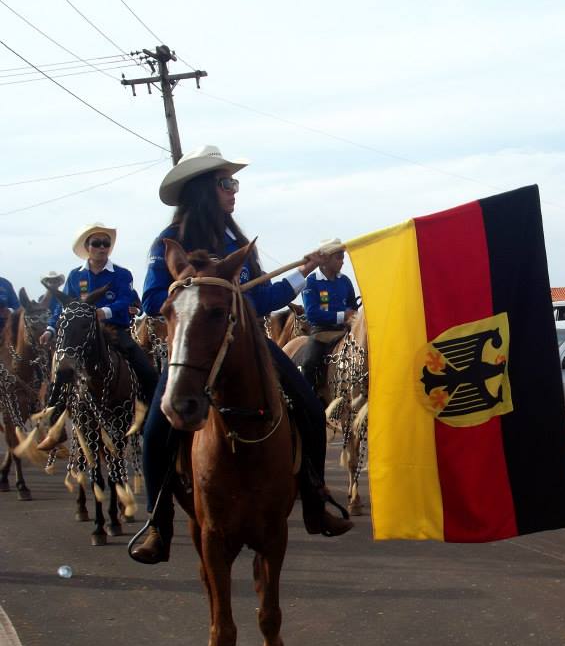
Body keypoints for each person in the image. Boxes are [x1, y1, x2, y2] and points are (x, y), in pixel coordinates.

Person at [130, 145, 352, 565]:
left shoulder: (236, 242)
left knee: (308, 406)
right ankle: (158, 523)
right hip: (194, 347)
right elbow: (153, 298)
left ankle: (315, 497)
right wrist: (198, 291)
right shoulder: (168, 242)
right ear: (203, 189)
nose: (234, 190)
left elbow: (262, 298)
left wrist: (304, 272)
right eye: (226, 183)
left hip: (245, 342)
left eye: (234, 183)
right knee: (157, 429)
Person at [36, 225, 158, 451]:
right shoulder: (76, 275)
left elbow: (125, 300)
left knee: (148, 372)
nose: (102, 247)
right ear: (87, 247)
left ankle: (150, 423)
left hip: (115, 331)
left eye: (106, 243)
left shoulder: (121, 274)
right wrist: (51, 329)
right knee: (60, 373)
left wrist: (104, 312)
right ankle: (54, 429)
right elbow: (62, 307)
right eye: (97, 243)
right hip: (82, 335)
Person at [298, 246, 359, 392]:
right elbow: (312, 314)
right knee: (309, 363)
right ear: (325, 260)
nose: (342, 261)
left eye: (343, 257)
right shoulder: (311, 282)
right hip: (321, 333)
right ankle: (307, 397)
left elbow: (353, 307)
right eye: (338, 257)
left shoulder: (345, 281)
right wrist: (343, 316)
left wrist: (353, 316)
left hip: (346, 331)